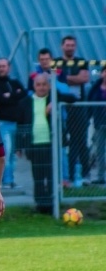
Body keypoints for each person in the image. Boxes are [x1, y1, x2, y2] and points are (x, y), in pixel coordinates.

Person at [17, 73, 76, 213]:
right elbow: (19, 125)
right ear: (34, 86)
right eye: (38, 85)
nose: (42, 87)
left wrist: (54, 101)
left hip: (51, 144)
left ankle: (51, 204)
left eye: (44, 84)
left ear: (49, 86)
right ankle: (40, 205)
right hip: (34, 144)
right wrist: (19, 146)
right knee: (38, 176)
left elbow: (73, 98)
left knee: (50, 176)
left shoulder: (53, 97)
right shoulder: (25, 102)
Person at [0, 58, 27, 188]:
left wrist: (9, 96)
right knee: (6, 154)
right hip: (2, 124)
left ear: (8, 67)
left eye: (3, 66)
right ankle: (6, 181)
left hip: (16, 124)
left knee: (13, 155)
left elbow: (24, 95)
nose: (1, 69)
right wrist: (13, 96)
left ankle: (10, 180)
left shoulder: (14, 82)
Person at [56, 35, 91, 184]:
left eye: (72, 45)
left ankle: (86, 175)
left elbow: (84, 78)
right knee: (65, 142)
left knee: (82, 140)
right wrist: (73, 77)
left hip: (79, 106)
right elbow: (55, 79)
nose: (70, 47)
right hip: (63, 108)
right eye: (67, 45)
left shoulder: (81, 61)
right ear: (62, 46)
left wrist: (66, 77)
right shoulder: (56, 62)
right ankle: (67, 176)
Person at [87, 66, 106, 184]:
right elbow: (89, 103)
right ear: (101, 74)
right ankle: (100, 176)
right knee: (100, 151)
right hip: (99, 123)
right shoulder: (95, 88)